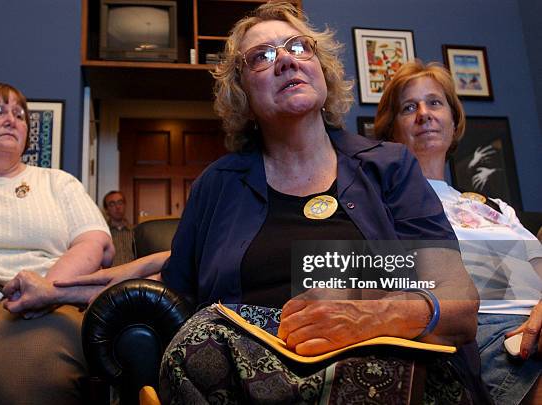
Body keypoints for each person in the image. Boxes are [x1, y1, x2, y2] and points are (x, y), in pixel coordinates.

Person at [156, 2, 483, 403]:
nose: (286, 62)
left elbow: (460, 307)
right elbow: (176, 299)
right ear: (241, 93)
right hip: (249, 382)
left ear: (321, 69)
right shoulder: (216, 186)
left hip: (389, 368)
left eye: (299, 48)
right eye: (262, 57)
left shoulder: (390, 166)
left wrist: (372, 317)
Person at [0, 82, 114, 405]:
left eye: (19, 114)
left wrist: (46, 290)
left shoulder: (58, 182)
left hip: (35, 306)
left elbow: (95, 242)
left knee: (25, 384)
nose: (11, 119)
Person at [375, 59, 541, 405]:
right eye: (409, 107)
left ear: (453, 119)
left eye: (435, 102)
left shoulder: (494, 206)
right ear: (392, 129)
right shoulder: (384, 206)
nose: (424, 114)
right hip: (493, 332)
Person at [103, 190, 135, 266]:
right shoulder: (103, 234)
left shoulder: (137, 232)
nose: (117, 207)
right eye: (112, 204)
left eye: (120, 203)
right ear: (106, 210)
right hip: (110, 276)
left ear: (125, 205)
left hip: (135, 276)